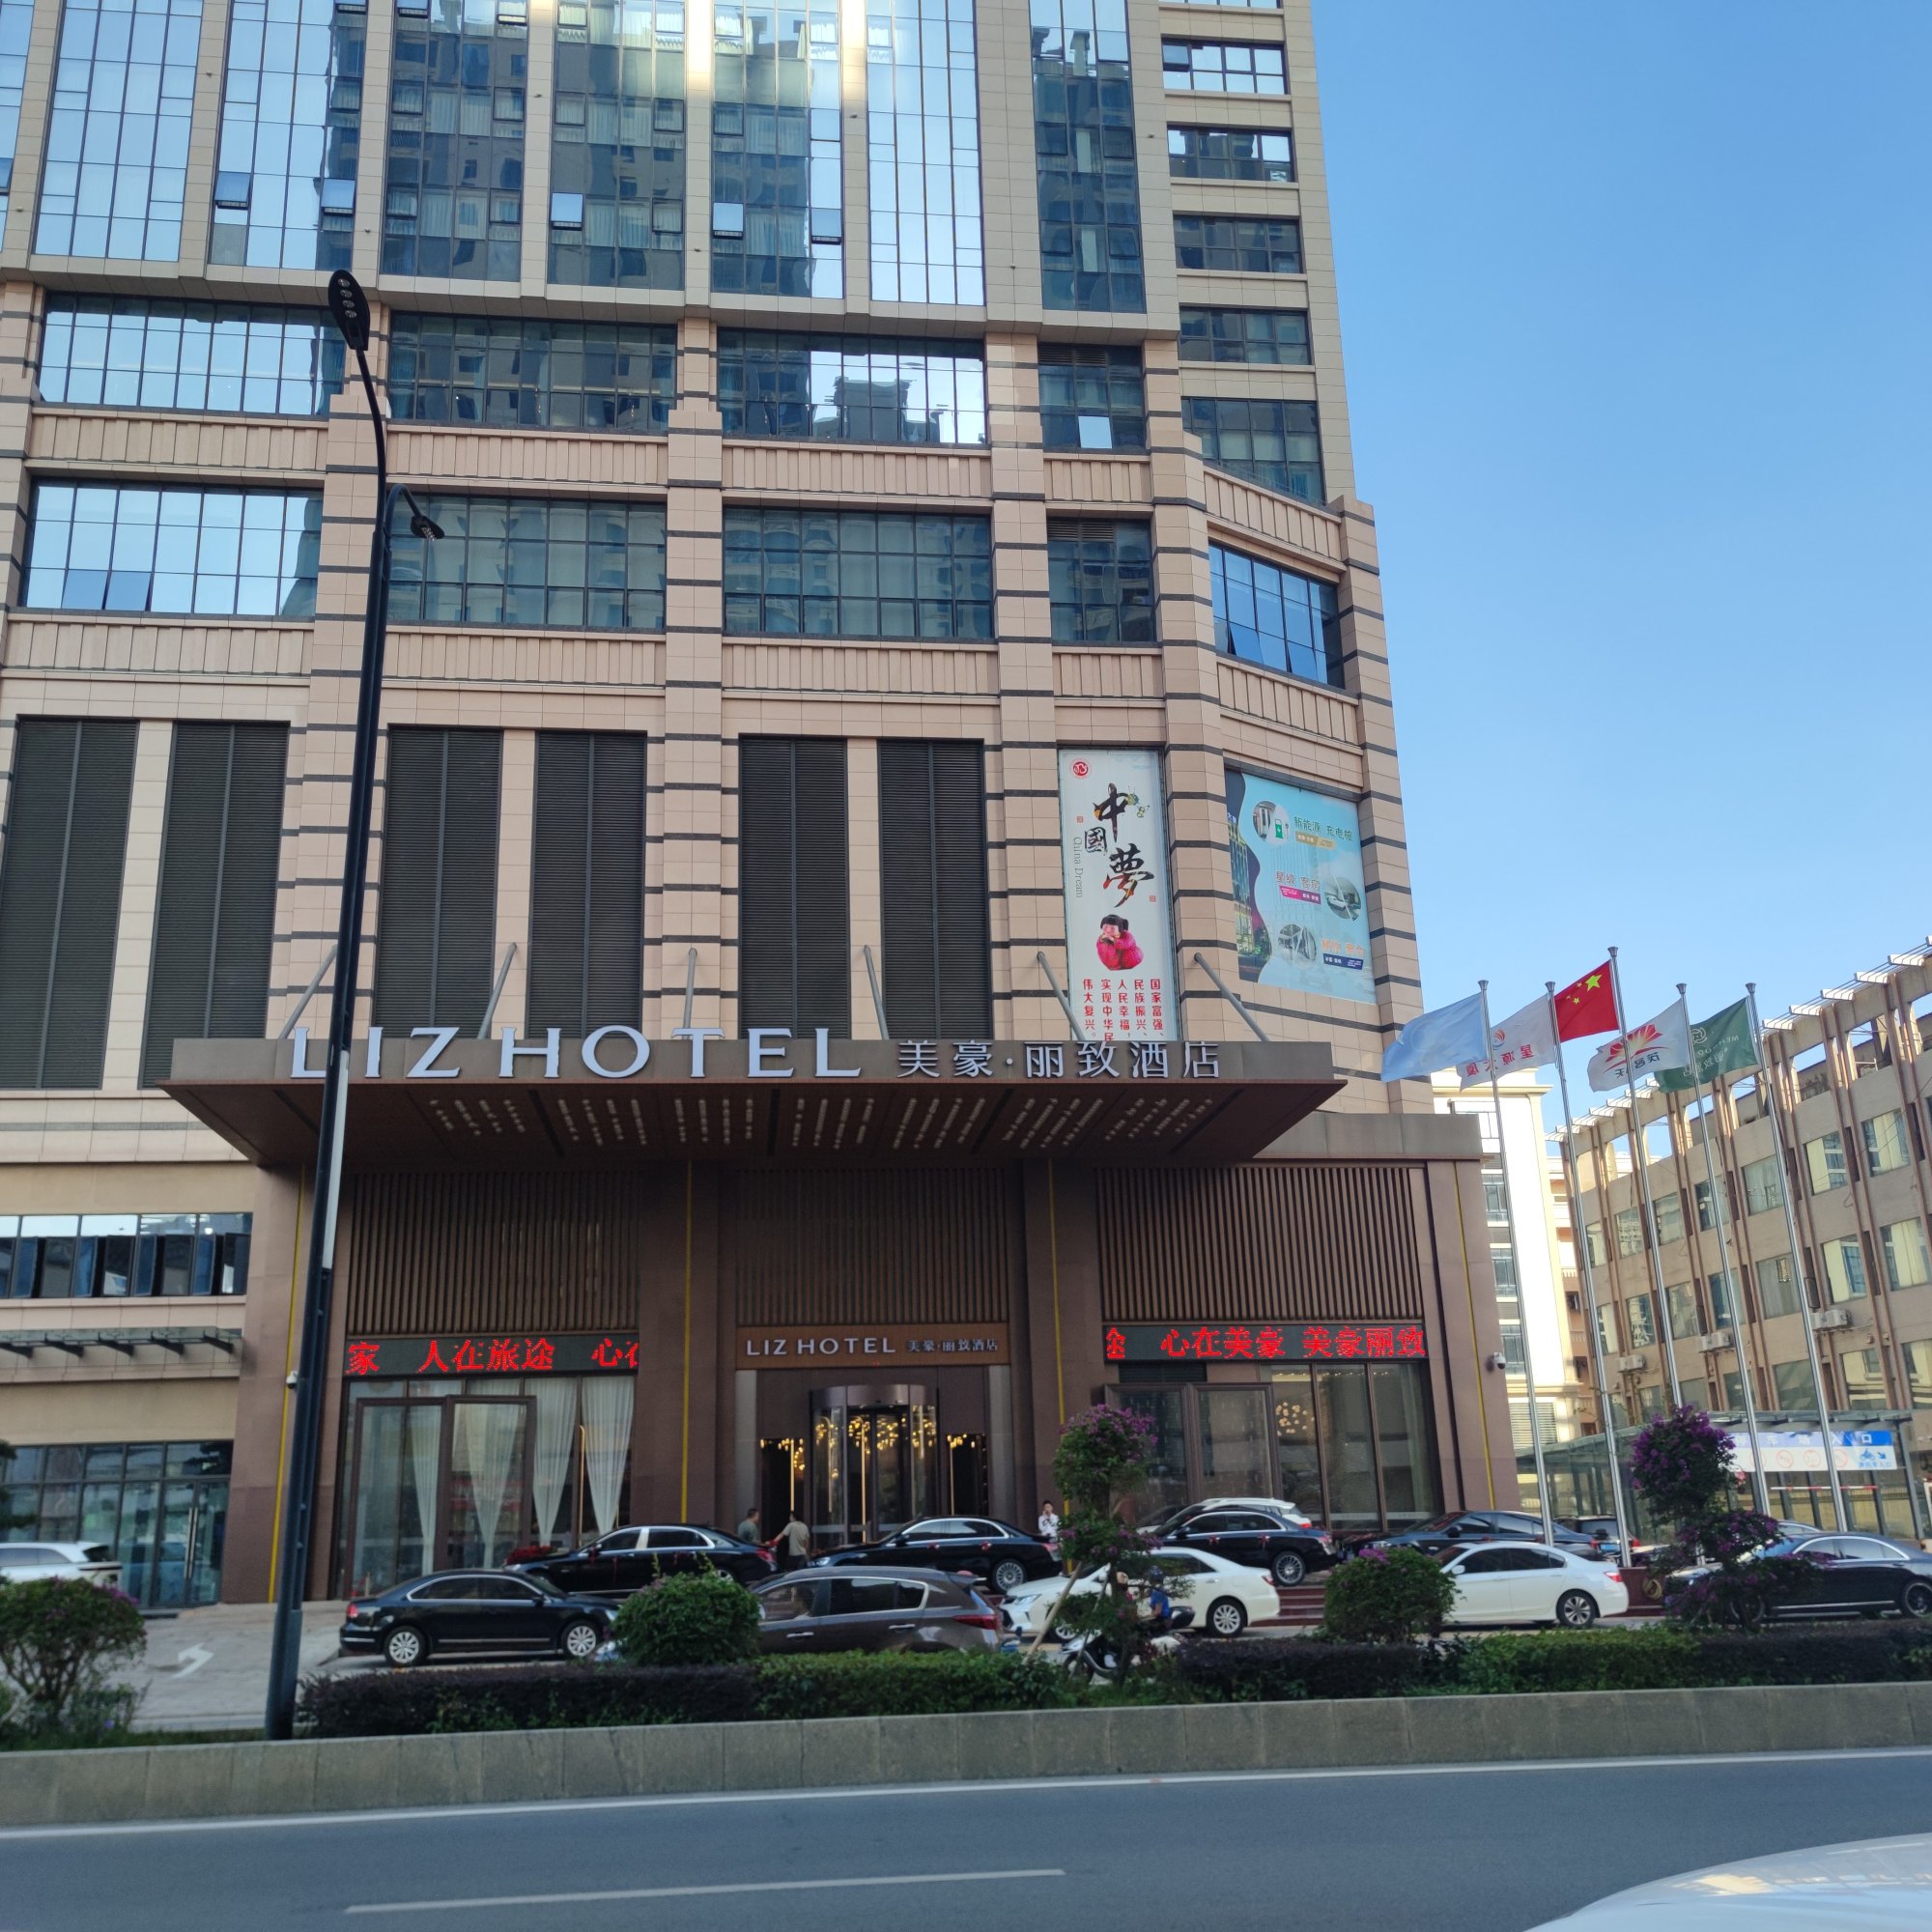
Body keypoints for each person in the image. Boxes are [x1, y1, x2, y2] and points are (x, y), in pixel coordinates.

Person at [780, 1507, 810, 1571]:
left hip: (793, 1554)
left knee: (790, 1572)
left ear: (793, 1517)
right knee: (801, 1572)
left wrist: (772, 1542)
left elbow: (782, 1535)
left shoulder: (791, 1525)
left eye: (790, 1516)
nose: (789, 1518)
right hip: (802, 1554)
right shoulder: (804, 1526)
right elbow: (806, 1543)